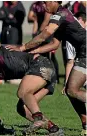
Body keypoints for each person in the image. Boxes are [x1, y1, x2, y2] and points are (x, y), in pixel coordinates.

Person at [5, 1, 86, 135]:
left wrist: (23, 47)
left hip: (85, 52)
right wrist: (33, 51)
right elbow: (54, 44)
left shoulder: (59, 15)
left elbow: (44, 35)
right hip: (83, 53)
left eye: (45, 2)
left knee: (72, 90)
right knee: (71, 91)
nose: (43, 5)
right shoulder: (62, 16)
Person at [27, 1, 60, 83]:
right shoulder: (35, 5)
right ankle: (43, 76)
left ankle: (55, 78)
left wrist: (39, 34)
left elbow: (46, 21)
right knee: (42, 56)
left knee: (50, 56)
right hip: (39, 33)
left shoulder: (48, 4)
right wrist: (35, 20)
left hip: (47, 33)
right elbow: (29, 17)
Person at [61, 12, 87, 95]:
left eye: (79, 21)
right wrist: (67, 83)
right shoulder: (70, 39)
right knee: (70, 91)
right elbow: (70, 62)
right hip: (82, 68)